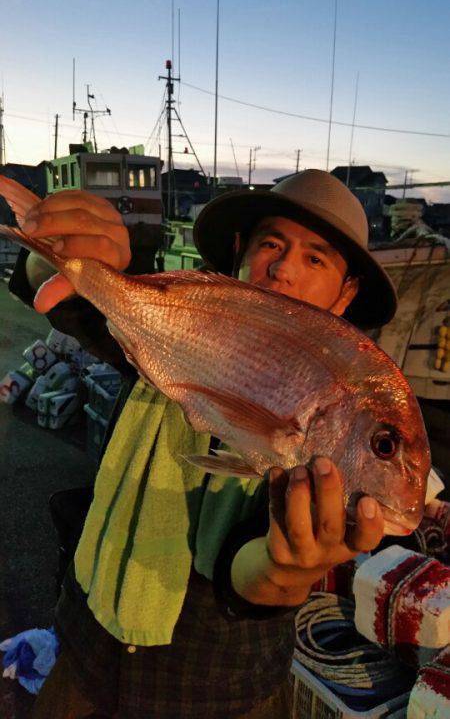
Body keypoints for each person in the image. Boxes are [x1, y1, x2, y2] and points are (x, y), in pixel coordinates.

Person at [9, 169, 398, 718]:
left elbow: (252, 564)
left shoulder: (334, 416)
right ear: (239, 253)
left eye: (316, 259)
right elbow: (69, 302)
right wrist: (54, 250)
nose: (284, 268)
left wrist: (282, 574)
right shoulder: (176, 322)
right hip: (85, 644)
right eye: (270, 244)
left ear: (346, 293)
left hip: (215, 688)